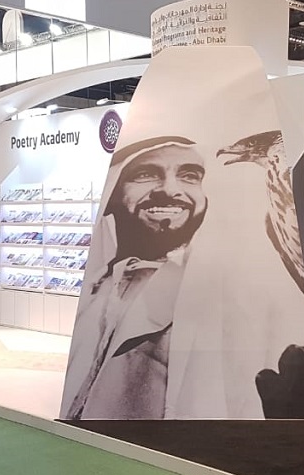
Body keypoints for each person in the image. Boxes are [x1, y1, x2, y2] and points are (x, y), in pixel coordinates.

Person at [62, 137, 208, 420]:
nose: (170, 190)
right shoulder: (98, 287)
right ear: (112, 193)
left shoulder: (211, 297)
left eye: (190, 175)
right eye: (145, 174)